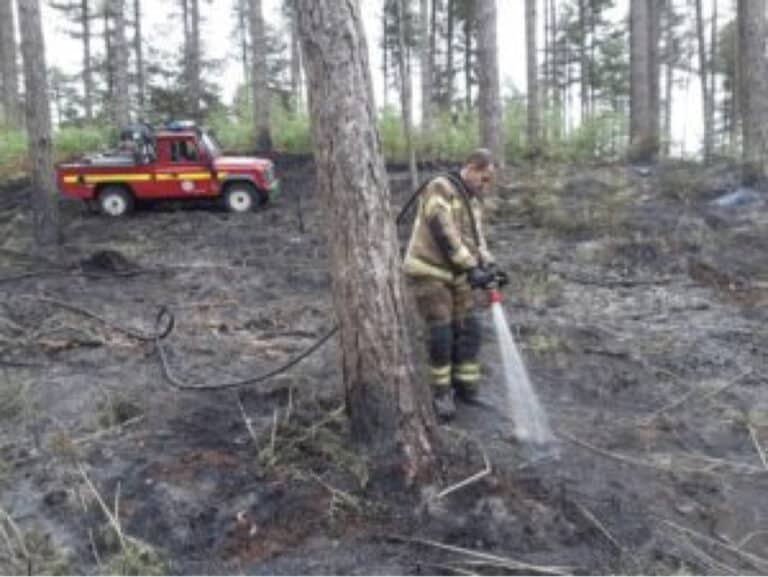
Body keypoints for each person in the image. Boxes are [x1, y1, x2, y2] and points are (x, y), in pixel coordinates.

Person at [403, 148, 504, 420]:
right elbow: (442, 229)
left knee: (470, 327)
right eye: (483, 178)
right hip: (428, 272)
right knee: (441, 331)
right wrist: (470, 266)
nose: (486, 185)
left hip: (457, 275)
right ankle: (440, 393)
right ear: (470, 167)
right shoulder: (440, 187)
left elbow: (476, 239)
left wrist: (489, 266)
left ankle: (466, 388)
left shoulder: (471, 201)